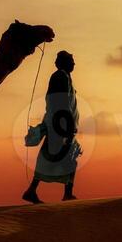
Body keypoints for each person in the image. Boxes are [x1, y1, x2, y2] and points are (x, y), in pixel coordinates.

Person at [22, 51, 80, 203]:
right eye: (71, 61)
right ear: (64, 63)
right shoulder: (60, 77)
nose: (74, 64)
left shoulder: (64, 77)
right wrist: (67, 126)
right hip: (60, 126)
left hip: (59, 125)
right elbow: (61, 102)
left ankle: (33, 190)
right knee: (66, 158)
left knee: (56, 158)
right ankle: (65, 193)